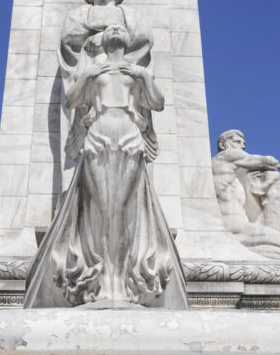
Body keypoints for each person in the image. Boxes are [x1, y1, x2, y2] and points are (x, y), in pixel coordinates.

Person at [25, 25, 187, 308]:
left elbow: (158, 103)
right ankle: (102, 279)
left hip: (129, 135)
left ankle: (118, 282)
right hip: (98, 135)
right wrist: (85, 76)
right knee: (100, 210)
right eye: (110, 29)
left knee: (123, 210)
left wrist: (144, 77)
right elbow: (71, 100)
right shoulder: (94, 71)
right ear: (101, 40)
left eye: (120, 28)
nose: (114, 29)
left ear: (128, 40)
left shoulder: (137, 72)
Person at [59, 0, 154, 162]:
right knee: (90, 120)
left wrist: (104, 36)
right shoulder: (78, 14)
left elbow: (145, 38)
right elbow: (68, 38)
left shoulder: (130, 14)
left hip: (124, 71)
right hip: (92, 68)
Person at [212, 129, 280, 268]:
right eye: (237, 142)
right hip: (236, 229)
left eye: (243, 144)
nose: (242, 147)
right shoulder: (226, 156)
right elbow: (271, 162)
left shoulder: (230, 175)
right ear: (223, 144)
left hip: (239, 229)